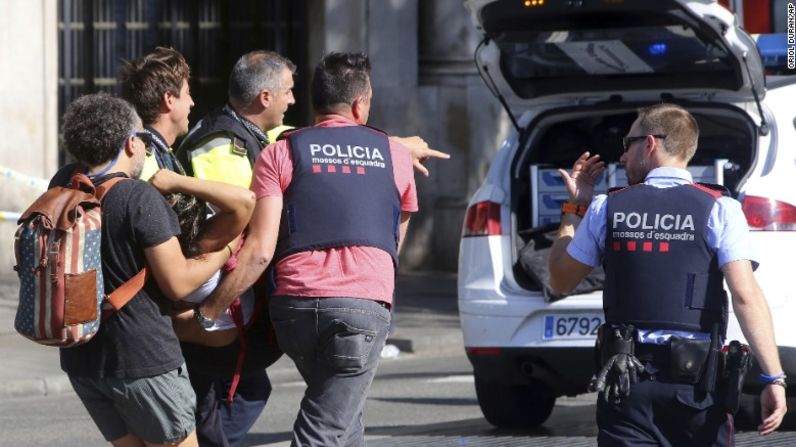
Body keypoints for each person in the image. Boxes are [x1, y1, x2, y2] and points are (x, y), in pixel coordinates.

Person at [190, 51, 417, 446]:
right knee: (324, 429)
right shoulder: (395, 156)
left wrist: (209, 310)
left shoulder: (281, 152)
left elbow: (260, 250)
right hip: (360, 309)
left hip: (293, 311)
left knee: (344, 414)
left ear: (314, 102)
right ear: (361, 103)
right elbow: (394, 239)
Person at [548, 103, 787, 446]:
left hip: (626, 387)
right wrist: (773, 378)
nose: (622, 158)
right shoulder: (721, 208)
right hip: (697, 391)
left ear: (649, 144)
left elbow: (559, 279)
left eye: (627, 145)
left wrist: (574, 209)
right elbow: (746, 296)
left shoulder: (605, 208)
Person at [53, 93, 233, 447]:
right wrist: (224, 251)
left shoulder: (61, 185)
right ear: (129, 144)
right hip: (142, 359)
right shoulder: (138, 198)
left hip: (83, 359)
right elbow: (178, 282)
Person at [119, 46, 194, 180]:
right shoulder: (145, 163)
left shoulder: (154, 152)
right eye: (187, 93)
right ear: (169, 99)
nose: (192, 103)